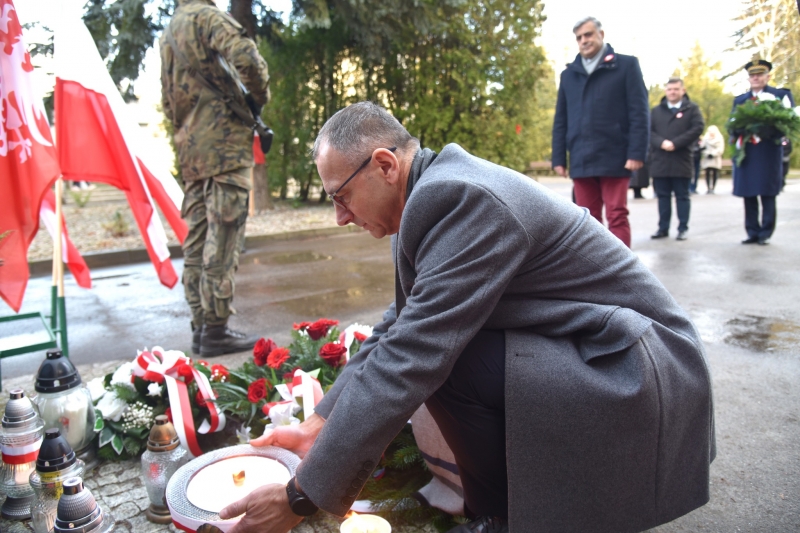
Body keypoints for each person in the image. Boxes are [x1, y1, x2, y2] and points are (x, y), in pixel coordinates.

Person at [218, 102, 715, 533]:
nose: (340, 217)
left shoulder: (457, 197)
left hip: (639, 369)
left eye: (340, 196)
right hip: (599, 349)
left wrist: (299, 497)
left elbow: (412, 354)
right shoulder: (434, 192)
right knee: (449, 348)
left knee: (448, 358)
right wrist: (319, 424)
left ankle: (503, 517)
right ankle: (501, 512)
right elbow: (398, 326)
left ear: (386, 164)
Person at [160, 0, 270, 356]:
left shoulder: (169, 32)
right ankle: (217, 330)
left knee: (197, 239)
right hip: (223, 145)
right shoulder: (206, 17)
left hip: (191, 150)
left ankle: (200, 327)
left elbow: (167, 99)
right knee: (222, 236)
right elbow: (247, 58)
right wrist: (258, 96)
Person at [552, 16, 649, 248]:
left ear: (601, 35)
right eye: (579, 38)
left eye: (588, 35)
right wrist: (558, 158)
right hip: (581, 157)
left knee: (617, 215)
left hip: (616, 155)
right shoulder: (569, 75)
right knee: (587, 219)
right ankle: (595, 273)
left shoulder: (626, 65)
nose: (584, 41)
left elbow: (639, 112)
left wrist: (637, 152)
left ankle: (622, 272)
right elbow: (561, 119)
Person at [730, 59, 795, 245]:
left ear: (768, 76)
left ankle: (765, 232)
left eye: (760, 74)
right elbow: (732, 125)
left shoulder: (779, 96)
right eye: (752, 75)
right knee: (749, 192)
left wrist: (766, 130)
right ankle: (752, 231)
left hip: (768, 152)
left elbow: (788, 122)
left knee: (767, 192)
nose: (756, 78)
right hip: (747, 152)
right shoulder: (740, 100)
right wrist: (740, 129)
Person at [649, 78, 704, 241]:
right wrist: (662, 143)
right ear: (666, 91)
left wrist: (676, 143)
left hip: (682, 158)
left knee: (682, 196)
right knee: (663, 196)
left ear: (683, 90)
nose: (672, 92)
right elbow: (648, 131)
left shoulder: (692, 109)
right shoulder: (656, 110)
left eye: (675, 89)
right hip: (660, 160)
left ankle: (682, 228)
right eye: (669, 89)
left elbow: (697, 128)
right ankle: (663, 228)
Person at [700, 126, 724, 193]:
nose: (711, 133)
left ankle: (713, 188)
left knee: (715, 173)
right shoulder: (705, 138)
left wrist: (713, 154)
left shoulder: (719, 138)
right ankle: (708, 188)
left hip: (715, 158)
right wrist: (706, 153)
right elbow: (702, 147)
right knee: (707, 172)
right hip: (707, 157)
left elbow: (720, 148)